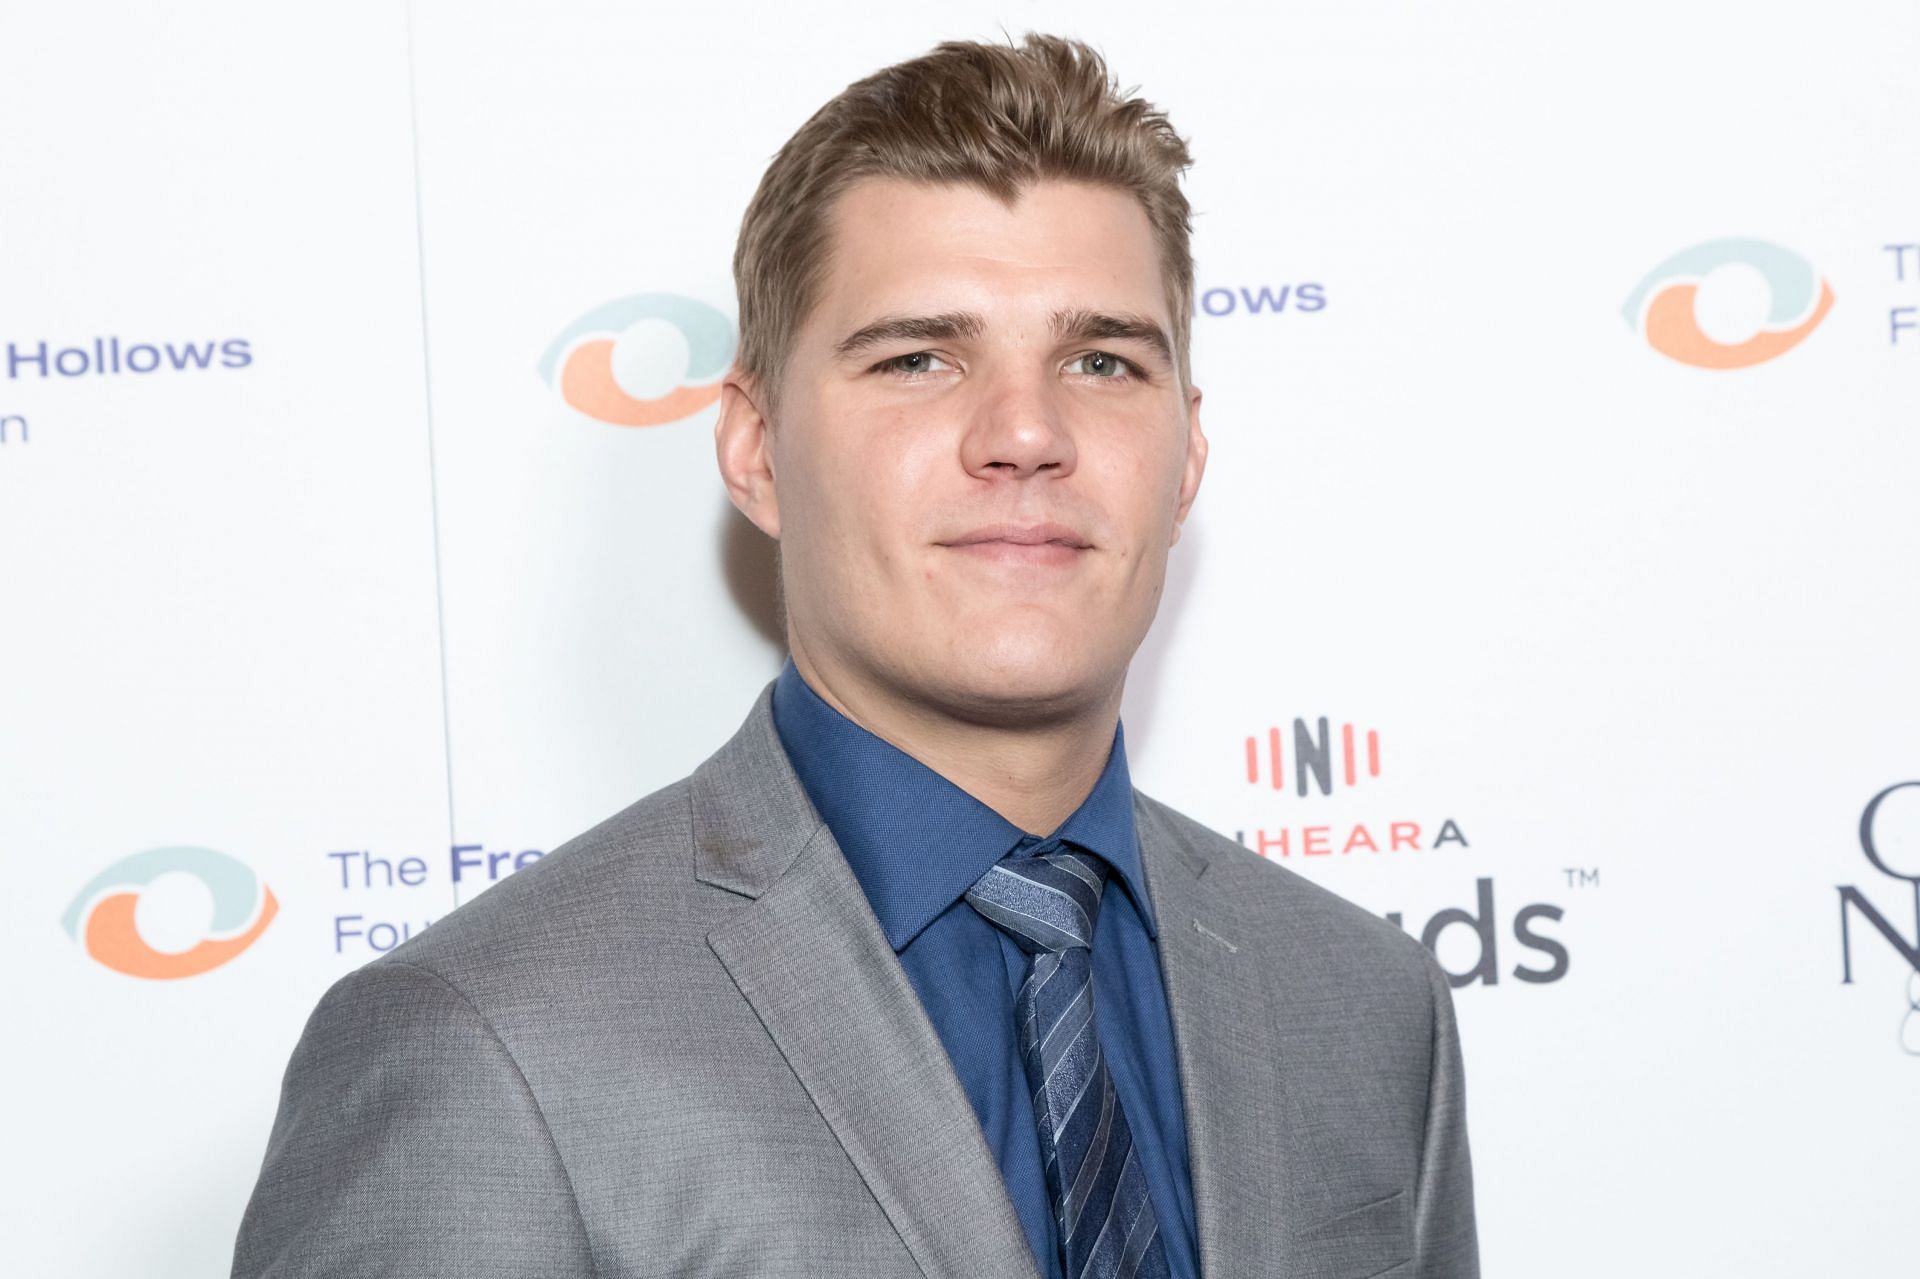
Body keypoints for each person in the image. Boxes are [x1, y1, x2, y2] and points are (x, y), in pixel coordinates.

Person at [233, 33, 1477, 1279]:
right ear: (757, 450)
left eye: (1101, 359)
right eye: (919, 358)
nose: (1028, 432)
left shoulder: (1367, 1006)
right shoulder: (485, 1046)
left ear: (1186, 451)